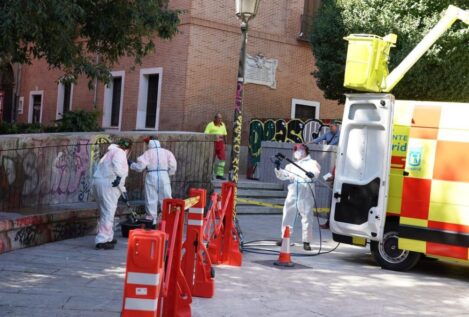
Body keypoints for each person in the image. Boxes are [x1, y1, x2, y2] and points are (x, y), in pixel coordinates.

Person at [274, 143, 321, 251]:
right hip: (293, 190)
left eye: (299, 149)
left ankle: (306, 241)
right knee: (288, 214)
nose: (297, 151)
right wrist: (278, 168)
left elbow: (316, 172)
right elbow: (283, 175)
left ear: (306, 151)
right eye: (295, 149)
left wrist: (311, 174)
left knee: (307, 216)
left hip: (306, 191)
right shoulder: (291, 165)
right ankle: (285, 237)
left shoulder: (312, 163)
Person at [93, 138, 132, 250]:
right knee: (109, 212)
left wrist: (123, 192)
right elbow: (118, 168)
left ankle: (108, 236)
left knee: (104, 211)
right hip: (108, 184)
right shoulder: (120, 152)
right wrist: (119, 177)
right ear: (128, 148)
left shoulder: (109, 152)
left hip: (99, 182)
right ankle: (102, 240)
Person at [129, 137, 177, 222]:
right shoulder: (167, 152)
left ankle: (151, 221)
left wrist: (131, 164)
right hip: (164, 175)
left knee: (151, 198)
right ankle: (168, 220)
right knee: (166, 198)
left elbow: (140, 167)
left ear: (149, 144)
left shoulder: (147, 153)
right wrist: (168, 173)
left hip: (151, 175)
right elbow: (173, 166)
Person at [204, 113, 228, 180]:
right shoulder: (210, 125)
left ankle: (219, 175)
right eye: (219, 118)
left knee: (222, 159)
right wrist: (214, 136)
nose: (220, 120)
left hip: (220, 143)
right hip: (213, 143)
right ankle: (210, 174)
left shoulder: (223, 125)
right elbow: (206, 134)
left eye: (221, 118)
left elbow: (225, 134)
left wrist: (225, 144)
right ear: (215, 118)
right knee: (212, 159)